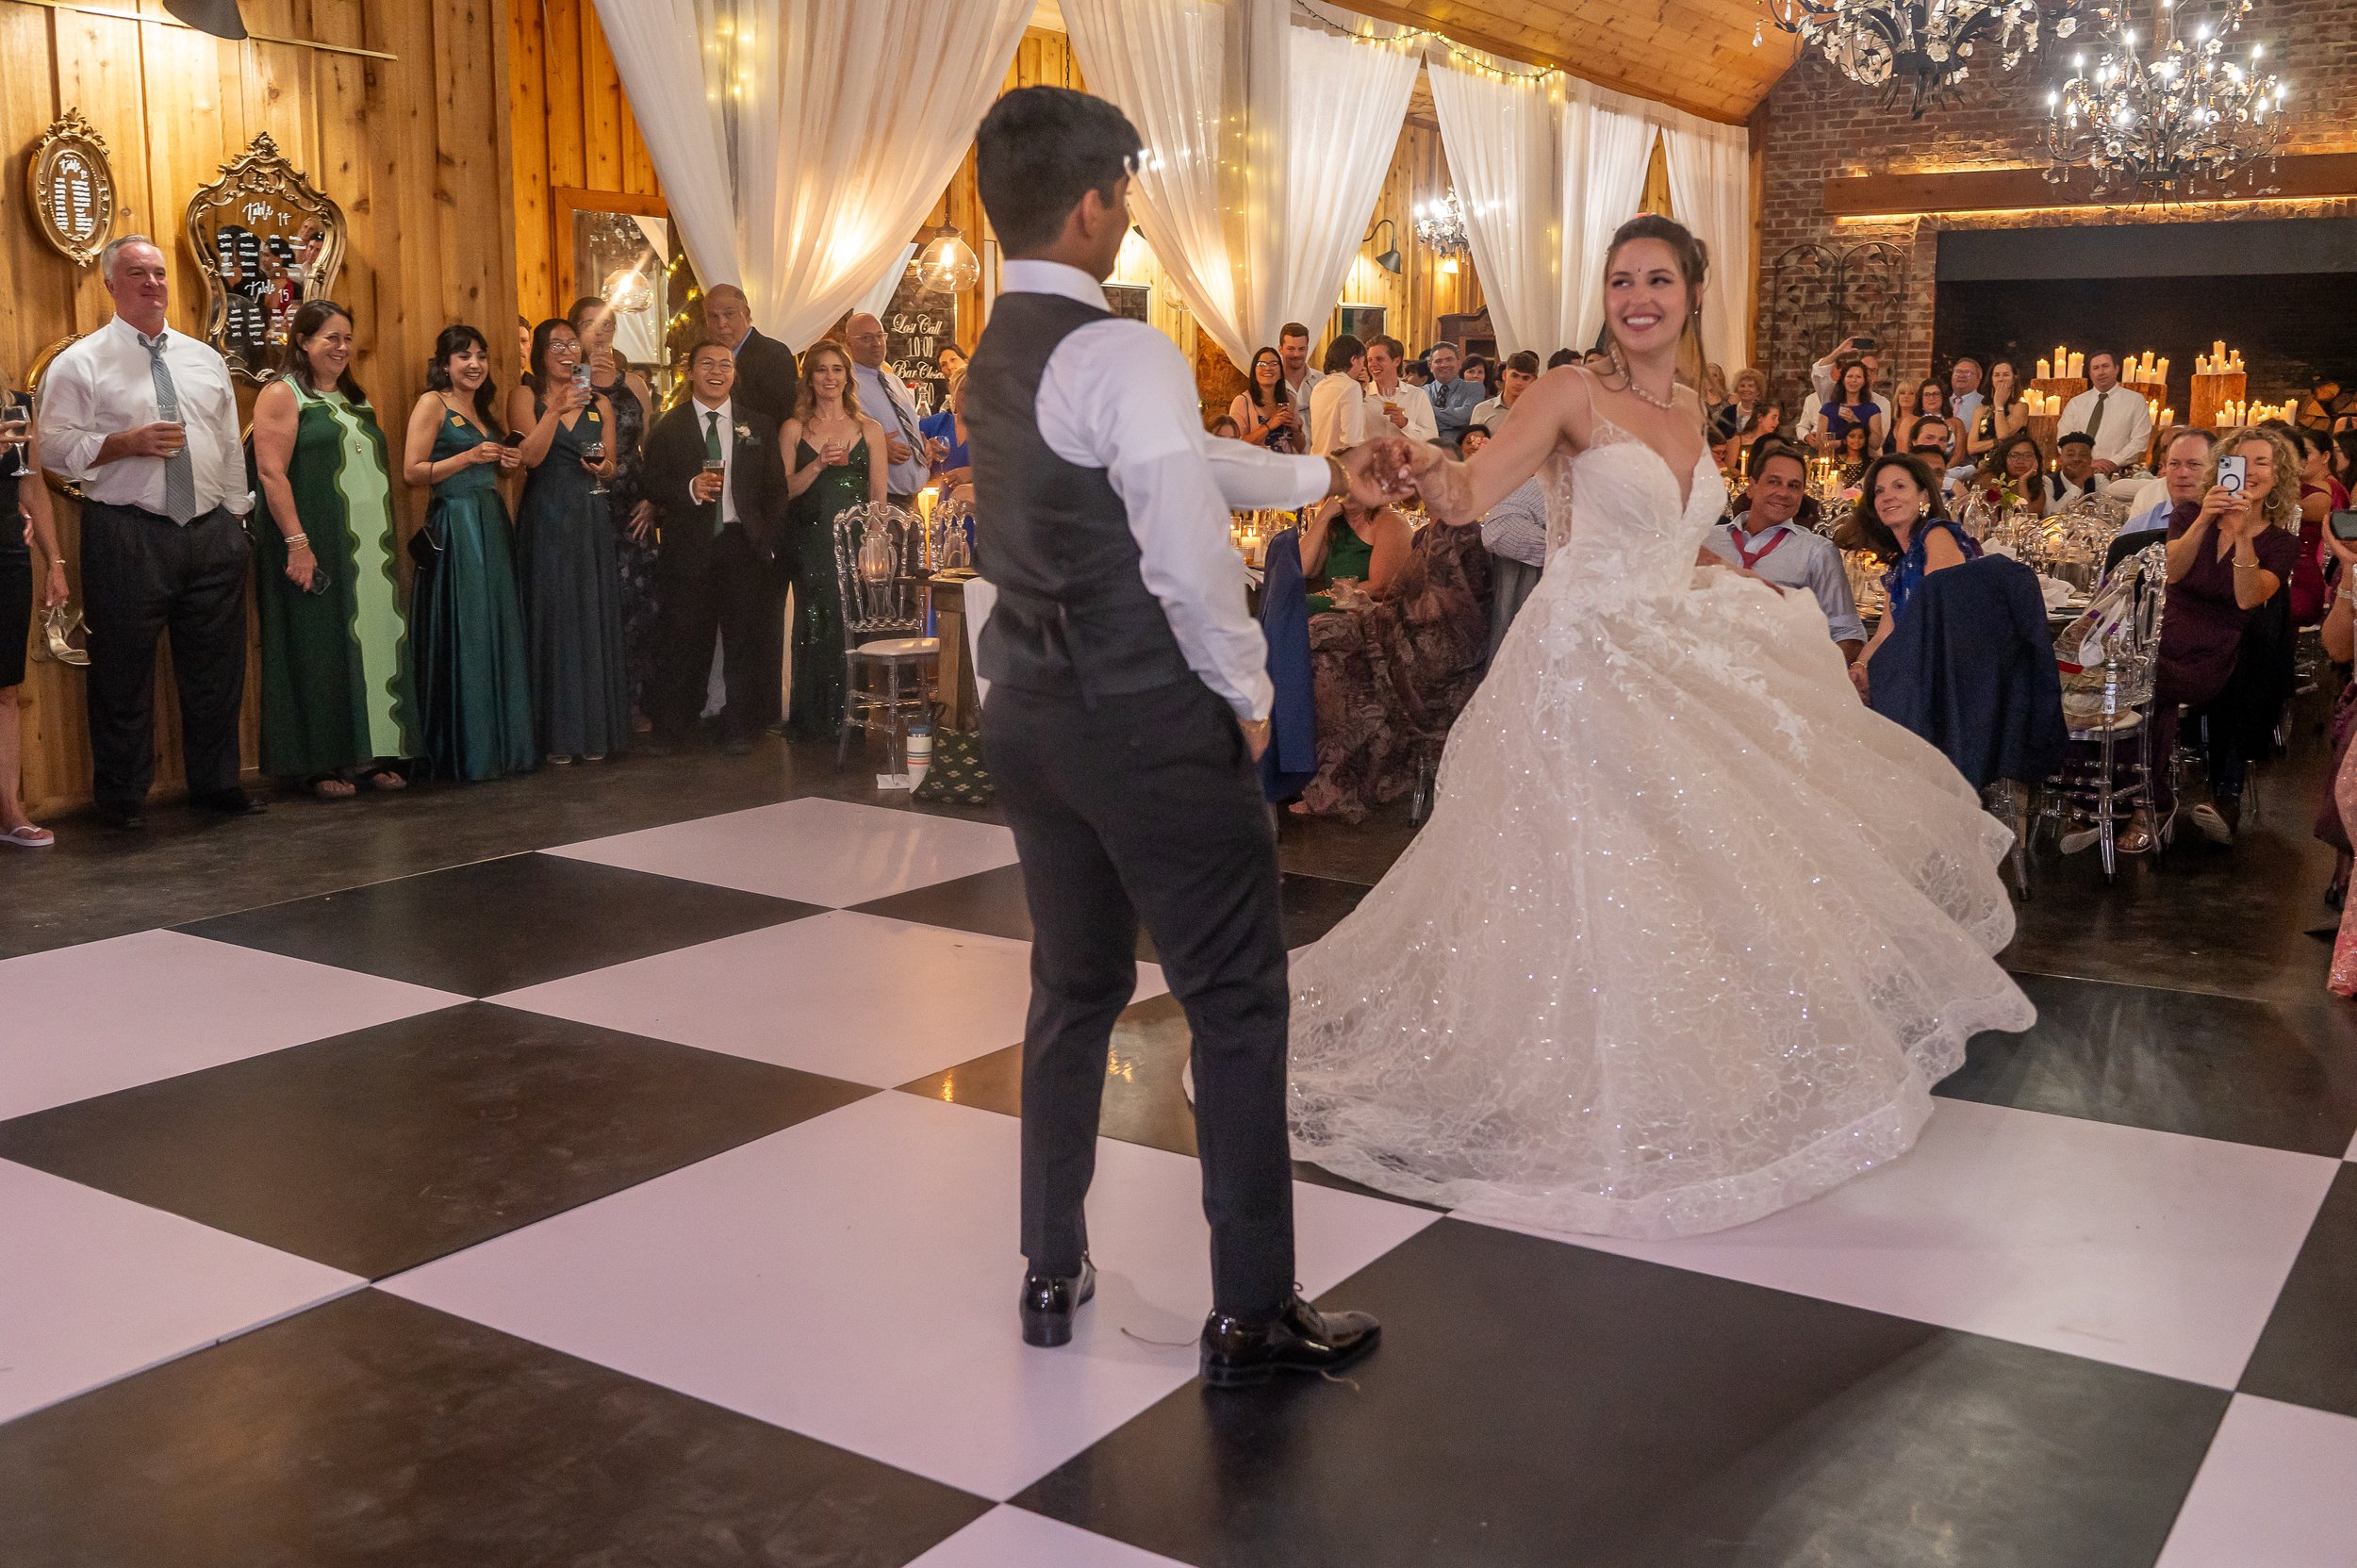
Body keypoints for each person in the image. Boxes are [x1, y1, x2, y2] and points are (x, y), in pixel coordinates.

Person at [1301, 214, 2028, 1238]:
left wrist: (1725, 588)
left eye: (1656, 280)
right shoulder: (1568, 393)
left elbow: (1673, 535)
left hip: (1669, 640)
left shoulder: (1690, 405)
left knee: (1686, 859)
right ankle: (1569, 1085)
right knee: (1595, 865)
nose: (1636, 297)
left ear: (1690, 292)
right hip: (1583, 657)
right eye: (1619, 281)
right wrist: (1420, 459)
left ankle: (1679, 1068)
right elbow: (1467, 496)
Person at [966, 84, 1389, 1383]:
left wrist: (1322, 475)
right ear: (1095, 204)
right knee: (1240, 999)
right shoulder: (1124, 349)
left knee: (1074, 986)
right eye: (1131, 193)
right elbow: (1183, 547)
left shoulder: (1002, 347)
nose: (1131, 213)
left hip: (1028, 712)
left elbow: (1172, 456)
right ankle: (1253, 1306)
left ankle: (1050, 1265)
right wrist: (1245, 692)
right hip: (1143, 714)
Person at [38, 236, 261, 828]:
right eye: (138, 274)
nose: (153, 283)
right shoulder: (80, 362)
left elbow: (227, 441)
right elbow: (53, 450)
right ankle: (123, 799)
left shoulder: (203, 358)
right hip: (127, 532)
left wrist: (237, 518)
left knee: (216, 671)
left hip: (212, 531)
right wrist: (123, 444)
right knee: (122, 674)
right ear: (110, 284)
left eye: (160, 273)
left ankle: (215, 785)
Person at [249, 300, 418, 798]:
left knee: (371, 646)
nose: (341, 348)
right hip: (312, 543)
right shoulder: (282, 395)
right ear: (302, 341)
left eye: (346, 338)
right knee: (317, 650)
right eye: (329, 338)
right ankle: (317, 763)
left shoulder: (354, 399)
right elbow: (269, 472)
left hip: (367, 554)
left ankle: (368, 754)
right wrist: (297, 543)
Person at [2125, 427, 2300, 851]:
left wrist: (2241, 534)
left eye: (2263, 463)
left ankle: (2148, 802)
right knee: (2123, 673)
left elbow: (2247, 598)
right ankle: (2125, 797)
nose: (2252, 471)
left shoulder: (2280, 542)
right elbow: (2173, 573)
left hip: (2218, 647)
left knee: (2148, 682)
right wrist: (2206, 517)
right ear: (2224, 469)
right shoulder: (2188, 514)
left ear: (2278, 476)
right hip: (2167, 630)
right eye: (2241, 461)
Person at [641, 337, 792, 754]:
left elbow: (775, 490)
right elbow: (651, 482)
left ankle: (741, 726)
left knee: (744, 641)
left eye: (725, 365)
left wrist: (767, 537)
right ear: (690, 372)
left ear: (733, 373)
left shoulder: (757, 425)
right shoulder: (668, 425)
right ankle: (673, 727)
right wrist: (689, 488)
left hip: (741, 545)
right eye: (706, 364)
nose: (716, 372)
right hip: (689, 545)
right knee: (683, 640)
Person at [403, 324, 535, 782]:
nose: (474, 364)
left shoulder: (482, 410)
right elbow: (412, 471)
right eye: (464, 356)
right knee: (469, 630)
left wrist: (507, 464)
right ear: (445, 363)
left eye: (481, 355)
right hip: (456, 524)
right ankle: (467, 749)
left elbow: (495, 469)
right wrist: (468, 458)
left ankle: (504, 747)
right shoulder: (432, 404)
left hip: (491, 522)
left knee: (497, 626)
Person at [511, 318, 629, 764]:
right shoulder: (525, 396)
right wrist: (556, 409)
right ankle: (557, 736)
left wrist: (606, 470)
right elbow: (530, 458)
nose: (567, 352)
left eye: (573, 345)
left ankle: (595, 732)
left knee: (591, 617)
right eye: (557, 345)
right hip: (548, 515)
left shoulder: (601, 403)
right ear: (541, 352)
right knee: (555, 619)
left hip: (592, 513)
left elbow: (614, 464)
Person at [780, 339, 887, 742]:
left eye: (837, 370)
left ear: (847, 376)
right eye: (821, 370)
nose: (829, 377)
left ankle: (848, 722)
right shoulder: (794, 429)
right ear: (810, 378)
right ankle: (810, 721)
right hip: (808, 540)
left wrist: (873, 548)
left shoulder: (869, 430)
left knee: (848, 626)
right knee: (814, 623)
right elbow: (784, 490)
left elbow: (878, 497)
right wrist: (819, 462)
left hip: (854, 543)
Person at [569, 296, 660, 729]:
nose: (598, 333)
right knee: (592, 600)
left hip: (631, 498)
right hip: (586, 495)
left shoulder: (636, 384)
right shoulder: (568, 381)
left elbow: (653, 448)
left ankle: (637, 702)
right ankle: (595, 703)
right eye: (588, 325)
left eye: (605, 325)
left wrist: (654, 497)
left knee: (639, 602)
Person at [1707, 442, 1865, 663]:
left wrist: (1807, 680)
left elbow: (1848, 635)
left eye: (1794, 486)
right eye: (1774, 482)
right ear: (1751, 487)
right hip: (1705, 668)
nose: (1783, 492)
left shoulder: (1817, 551)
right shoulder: (1708, 539)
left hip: (1776, 676)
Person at [1843, 453, 1982, 700]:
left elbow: (1939, 625)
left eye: (1899, 486)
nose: (1887, 496)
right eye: (1879, 491)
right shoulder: (1902, 561)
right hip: (1917, 675)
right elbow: (1883, 634)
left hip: (1949, 685)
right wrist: (1859, 668)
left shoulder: (1936, 536)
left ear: (1924, 495)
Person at [0, 371, 66, 845]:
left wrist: (55, 561)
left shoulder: (14, 406)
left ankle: (10, 809)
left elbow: (32, 486)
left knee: (5, 688)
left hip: (6, 554)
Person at [843, 312, 929, 505]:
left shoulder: (895, 381)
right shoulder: (846, 385)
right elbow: (838, 435)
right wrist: (874, 448)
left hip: (913, 500)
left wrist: (924, 445)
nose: (876, 343)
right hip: (879, 501)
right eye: (866, 338)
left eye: (880, 336)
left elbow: (909, 427)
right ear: (849, 344)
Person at [2109, 426, 2216, 571]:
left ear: (2214, 470)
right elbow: (2109, 590)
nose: (2182, 473)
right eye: (2174, 464)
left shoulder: (2228, 528)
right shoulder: (2138, 528)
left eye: (2194, 464)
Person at [701, 284, 799, 425]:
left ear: (746, 313)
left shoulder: (775, 354)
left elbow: (784, 414)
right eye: (713, 316)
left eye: (729, 314)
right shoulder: (702, 358)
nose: (722, 324)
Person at [1300, 490, 1410, 615]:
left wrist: (1329, 596)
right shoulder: (1336, 523)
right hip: (1337, 606)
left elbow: (1379, 588)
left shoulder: (1390, 520)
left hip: (1368, 612)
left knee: (1300, 605)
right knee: (1287, 601)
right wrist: (1323, 515)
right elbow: (1303, 569)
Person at [2058, 351, 2153, 476]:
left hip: (2118, 473)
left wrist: (2112, 462)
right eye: (2096, 368)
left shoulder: (2135, 401)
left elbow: (2139, 441)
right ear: (2090, 373)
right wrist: (2088, 462)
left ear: (2116, 369)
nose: (2101, 372)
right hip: (2078, 472)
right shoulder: (2076, 403)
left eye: (2106, 366)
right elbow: (2063, 439)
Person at [1227, 346, 1302, 455]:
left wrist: (1295, 430)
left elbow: (1300, 447)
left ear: (1281, 371)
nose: (1268, 368)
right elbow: (1236, 445)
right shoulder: (1242, 402)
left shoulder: (1289, 399)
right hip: (1257, 467)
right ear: (1254, 371)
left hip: (1285, 466)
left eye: (1274, 364)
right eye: (1262, 364)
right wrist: (1269, 425)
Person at [1364, 336, 1439, 444]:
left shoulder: (1416, 395)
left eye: (1379, 359)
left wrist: (1405, 424)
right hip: (1370, 459)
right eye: (1370, 360)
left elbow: (1432, 440)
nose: (1373, 364)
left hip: (1406, 459)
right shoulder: (1362, 395)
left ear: (1396, 361)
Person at [1306, 334, 1369, 455]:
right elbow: (1351, 440)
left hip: (1319, 460)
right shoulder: (1351, 387)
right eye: (1362, 362)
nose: (1363, 368)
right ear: (1353, 360)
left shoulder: (1319, 386)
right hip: (1338, 466)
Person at [919, 365, 974, 496]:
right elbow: (909, 450)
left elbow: (1014, 471)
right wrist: (924, 451)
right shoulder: (936, 424)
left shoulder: (997, 430)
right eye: (963, 389)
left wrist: (974, 473)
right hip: (946, 511)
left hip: (984, 513)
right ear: (953, 393)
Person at [1814, 359, 1884, 456]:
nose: (1853, 380)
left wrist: (1855, 422)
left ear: (1864, 381)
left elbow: (1875, 444)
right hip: (1832, 461)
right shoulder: (1828, 409)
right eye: (1850, 376)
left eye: (1858, 377)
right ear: (1843, 380)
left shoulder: (1872, 409)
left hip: (1860, 462)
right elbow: (1819, 444)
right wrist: (1842, 443)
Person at [1965, 359, 2027, 460]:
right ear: (1992, 379)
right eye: (1997, 375)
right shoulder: (1980, 411)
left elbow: (2003, 435)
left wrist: (1999, 405)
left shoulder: (2020, 407)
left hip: (2010, 462)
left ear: (2014, 379)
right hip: (1982, 465)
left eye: (2006, 375)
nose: (2001, 379)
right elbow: (1971, 448)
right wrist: (1997, 442)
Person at [1424, 340, 1480, 449]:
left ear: (1459, 363)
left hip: (1459, 455)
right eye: (1438, 361)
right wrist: (1453, 421)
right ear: (1430, 366)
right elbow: (1420, 423)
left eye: (1449, 360)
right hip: (1426, 454)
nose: (1444, 364)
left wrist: (1428, 410)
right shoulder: (1421, 392)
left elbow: (1463, 418)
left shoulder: (1474, 388)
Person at [1470, 350, 1539, 435]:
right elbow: (1473, 444)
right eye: (1514, 376)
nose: (1518, 383)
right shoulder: (1482, 409)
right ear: (1504, 375)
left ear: (1534, 381)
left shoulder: (1541, 413)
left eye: (1525, 378)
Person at [1906, 379, 1964, 460]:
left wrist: (1942, 470)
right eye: (1927, 394)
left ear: (1943, 397)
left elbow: (1959, 456)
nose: (1931, 398)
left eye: (1936, 394)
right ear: (1921, 398)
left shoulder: (1957, 423)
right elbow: (1903, 452)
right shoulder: (1909, 422)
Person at [1712, 366, 1768, 442]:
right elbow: (1718, 438)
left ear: (1758, 391)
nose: (1746, 389)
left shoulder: (1765, 412)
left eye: (1750, 386)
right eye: (1742, 386)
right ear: (1737, 389)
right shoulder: (1728, 412)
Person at [1276, 321, 1321, 404]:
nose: (1296, 354)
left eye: (1301, 349)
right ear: (1280, 349)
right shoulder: (1272, 382)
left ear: (1307, 349)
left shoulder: (1321, 381)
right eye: (1291, 349)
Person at [2053, 431, 2102, 507]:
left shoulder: (2099, 480)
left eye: (2083, 455)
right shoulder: (2047, 482)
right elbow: (2050, 515)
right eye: (2070, 454)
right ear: (2060, 459)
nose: (2077, 459)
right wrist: (2079, 481)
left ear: (2090, 460)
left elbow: (2108, 509)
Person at [1949, 356, 1986, 429]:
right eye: (1958, 372)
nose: (1962, 376)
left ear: (1978, 379)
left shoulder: (1984, 404)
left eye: (1968, 373)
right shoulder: (1941, 402)